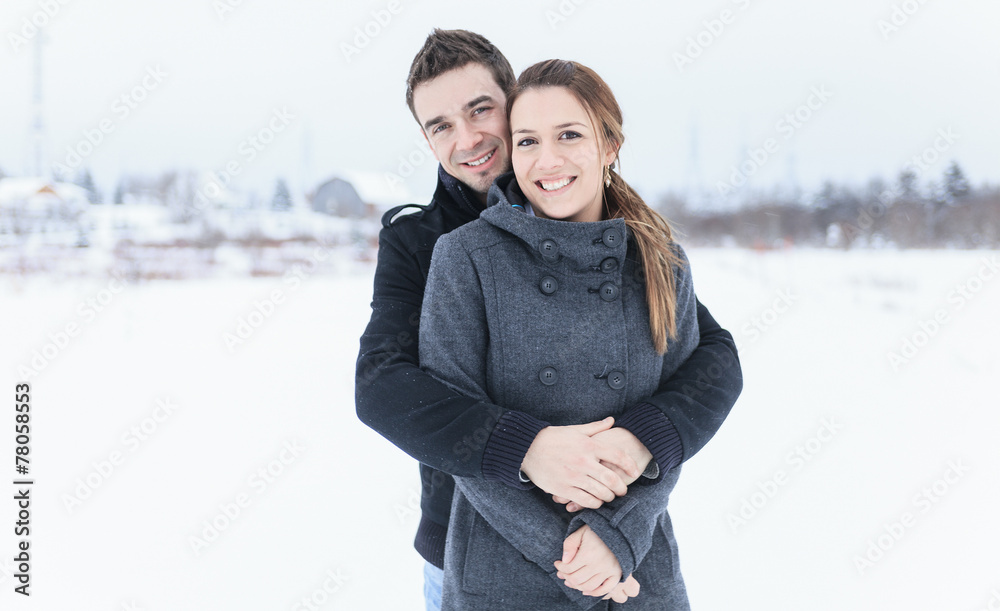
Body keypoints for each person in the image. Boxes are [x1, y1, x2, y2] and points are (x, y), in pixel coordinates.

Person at [354, 30, 743, 610]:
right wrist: (524, 448)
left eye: (480, 110)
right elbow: (382, 386)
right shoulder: (427, 243)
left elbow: (707, 358)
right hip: (474, 534)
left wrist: (642, 449)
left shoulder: (640, 248)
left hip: (627, 551)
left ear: (514, 102)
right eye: (440, 125)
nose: (468, 139)